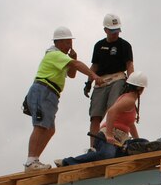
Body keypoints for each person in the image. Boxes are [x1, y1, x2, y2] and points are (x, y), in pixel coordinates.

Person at [24, 26, 104, 172]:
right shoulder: (54, 54)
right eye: (67, 43)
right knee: (41, 126)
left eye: (70, 43)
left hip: (50, 92)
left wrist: (73, 58)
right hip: (44, 89)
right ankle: (30, 161)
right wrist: (93, 76)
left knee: (49, 129)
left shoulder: (61, 58)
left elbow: (72, 74)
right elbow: (76, 65)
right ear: (58, 42)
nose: (69, 47)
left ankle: (34, 160)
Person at [55, 71, 148, 167]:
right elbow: (111, 112)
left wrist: (137, 140)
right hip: (107, 136)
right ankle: (67, 162)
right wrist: (109, 135)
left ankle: (124, 150)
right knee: (107, 155)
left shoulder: (129, 100)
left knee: (143, 143)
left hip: (121, 140)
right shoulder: (129, 100)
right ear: (141, 88)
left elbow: (130, 124)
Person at [84, 14, 134, 147]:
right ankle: (93, 147)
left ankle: (114, 141)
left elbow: (129, 65)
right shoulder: (99, 46)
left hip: (118, 78)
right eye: (112, 31)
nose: (115, 34)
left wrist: (132, 82)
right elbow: (94, 66)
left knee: (115, 109)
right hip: (101, 81)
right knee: (95, 116)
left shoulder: (125, 45)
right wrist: (88, 82)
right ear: (105, 30)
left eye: (117, 30)